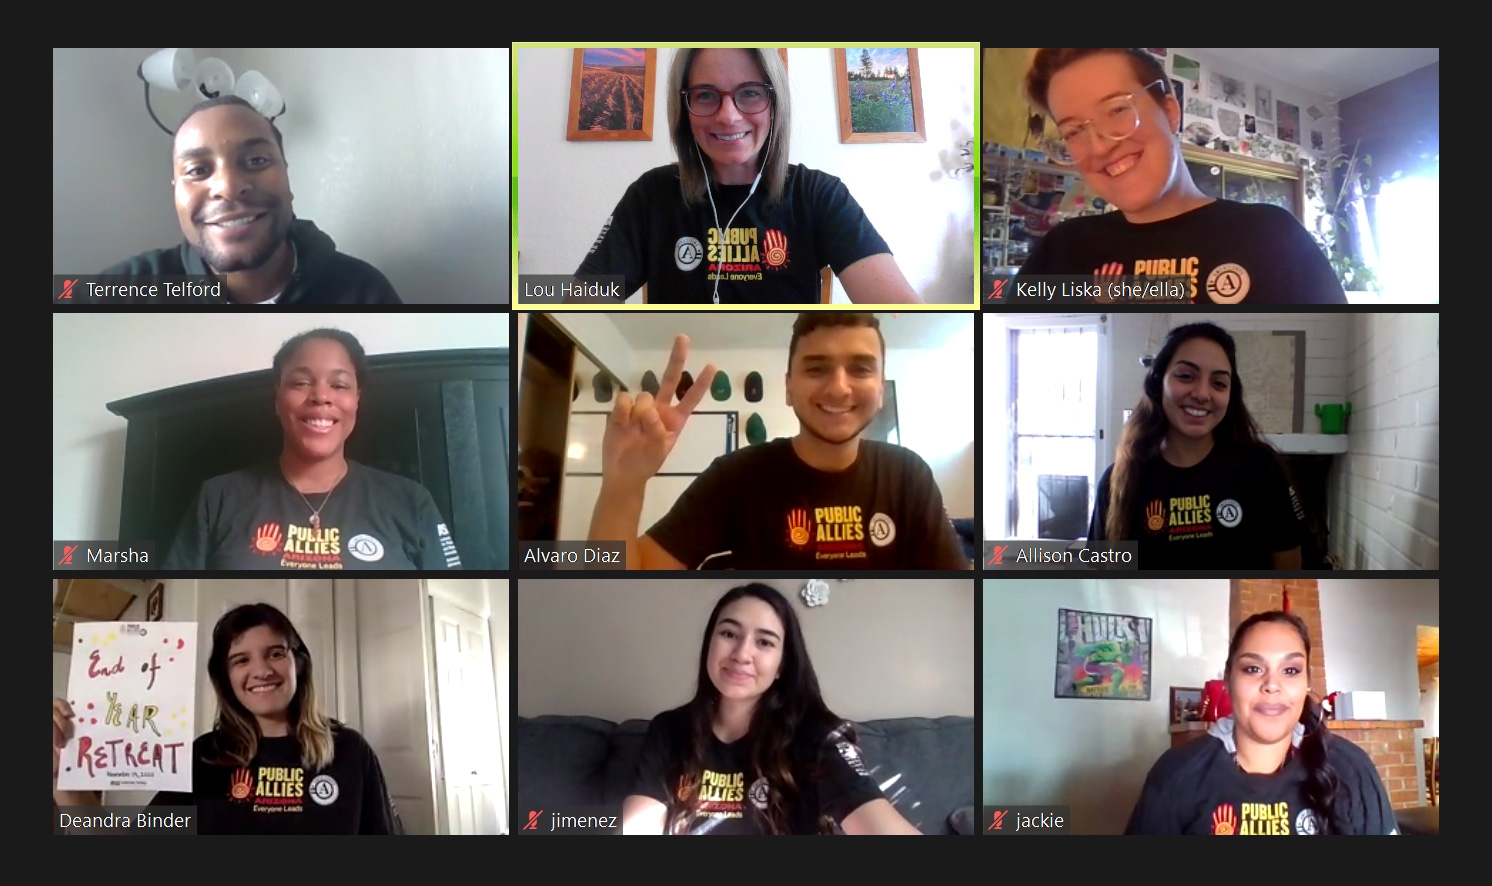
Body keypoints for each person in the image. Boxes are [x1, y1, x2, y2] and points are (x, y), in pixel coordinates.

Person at [588, 312, 969, 570]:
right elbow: (614, 587)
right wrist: (623, 486)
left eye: (861, 368)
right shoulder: (737, 477)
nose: (838, 387)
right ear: (788, 388)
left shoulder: (909, 475)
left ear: (881, 389)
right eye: (816, 368)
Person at [575, 48, 922, 304]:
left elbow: (901, 314)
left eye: (750, 93)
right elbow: (579, 298)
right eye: (706, 95)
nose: (728, 116)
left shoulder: (819, 195)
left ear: (775, 104)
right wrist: (527, 291)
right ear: (684, 107)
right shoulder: (652, 194)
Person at [1014, 48, 1347, 305]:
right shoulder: (1061, 252)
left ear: (1170, 112)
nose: (1099, 147)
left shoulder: (1272, 237)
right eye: (1073, 131)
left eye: (1116, 110)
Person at [53, 603, 403, 834]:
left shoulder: (351, 751)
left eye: (275, 653)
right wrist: (61, 777)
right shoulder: (202, 758)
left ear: (298, 662)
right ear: (226, 678)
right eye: (241, 660)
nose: (262, 670)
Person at [623, 584, 922, 835]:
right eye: (729, 634)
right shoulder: (670, 730)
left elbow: (879, 824)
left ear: (782, 666)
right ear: (709, 645)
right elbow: (637, 827)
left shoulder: (818, 739)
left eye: (764, 642)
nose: (741, 654)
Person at [162, 328, 463, 570]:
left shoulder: (411, 501)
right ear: (277, 398)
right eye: (301, 382)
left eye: (340, 385)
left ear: (357, 399)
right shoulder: (216, 499)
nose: (321, 396)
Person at [102, 95, 402, 305]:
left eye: (256, 160)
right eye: (197, 170)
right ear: (175, 191)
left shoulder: (363, 290)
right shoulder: (123, 288)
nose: (228, 187)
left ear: (287, 176)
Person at [1125, 611, 1398, 834]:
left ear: (1306, 684)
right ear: (1229, 681)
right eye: (1253, 669)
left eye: (1290, 670)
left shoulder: (1352, 769)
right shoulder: (1176, 773)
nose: (1272, 685)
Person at [1087, 322, 1306, 569]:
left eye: (1219, 383)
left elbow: (1289, 571)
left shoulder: (1261, 469)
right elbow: (1101, 578)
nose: (1202, 394)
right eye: (1186, 376)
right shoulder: (1118, 480)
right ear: (1159, 383)